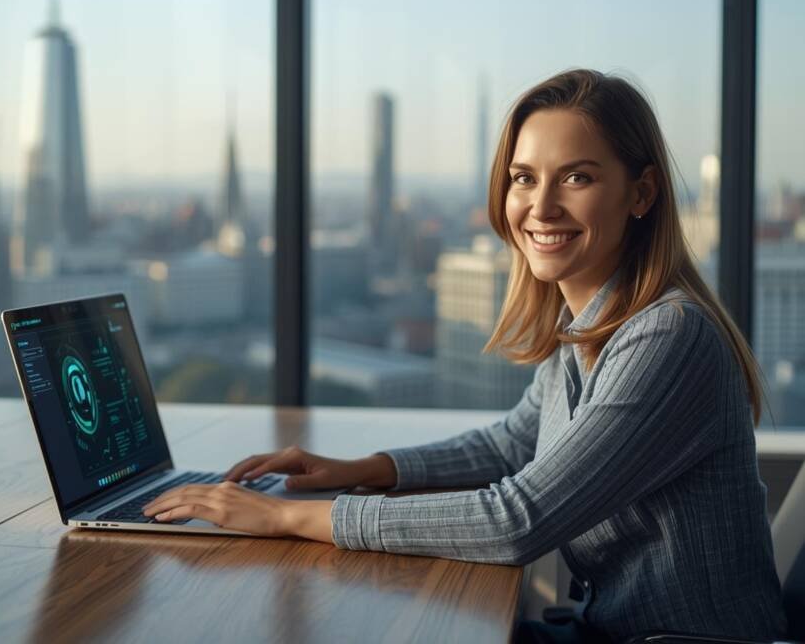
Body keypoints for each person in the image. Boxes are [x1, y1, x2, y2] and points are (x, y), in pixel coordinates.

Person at [143, 69, 787, 642]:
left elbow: (517, 521)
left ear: (641, 194)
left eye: (578, 177)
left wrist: (284, 514)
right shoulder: (586, 324)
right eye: (523, 179)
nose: (540, 207)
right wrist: (359, 469)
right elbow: (513, 445)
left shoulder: (668, 336)